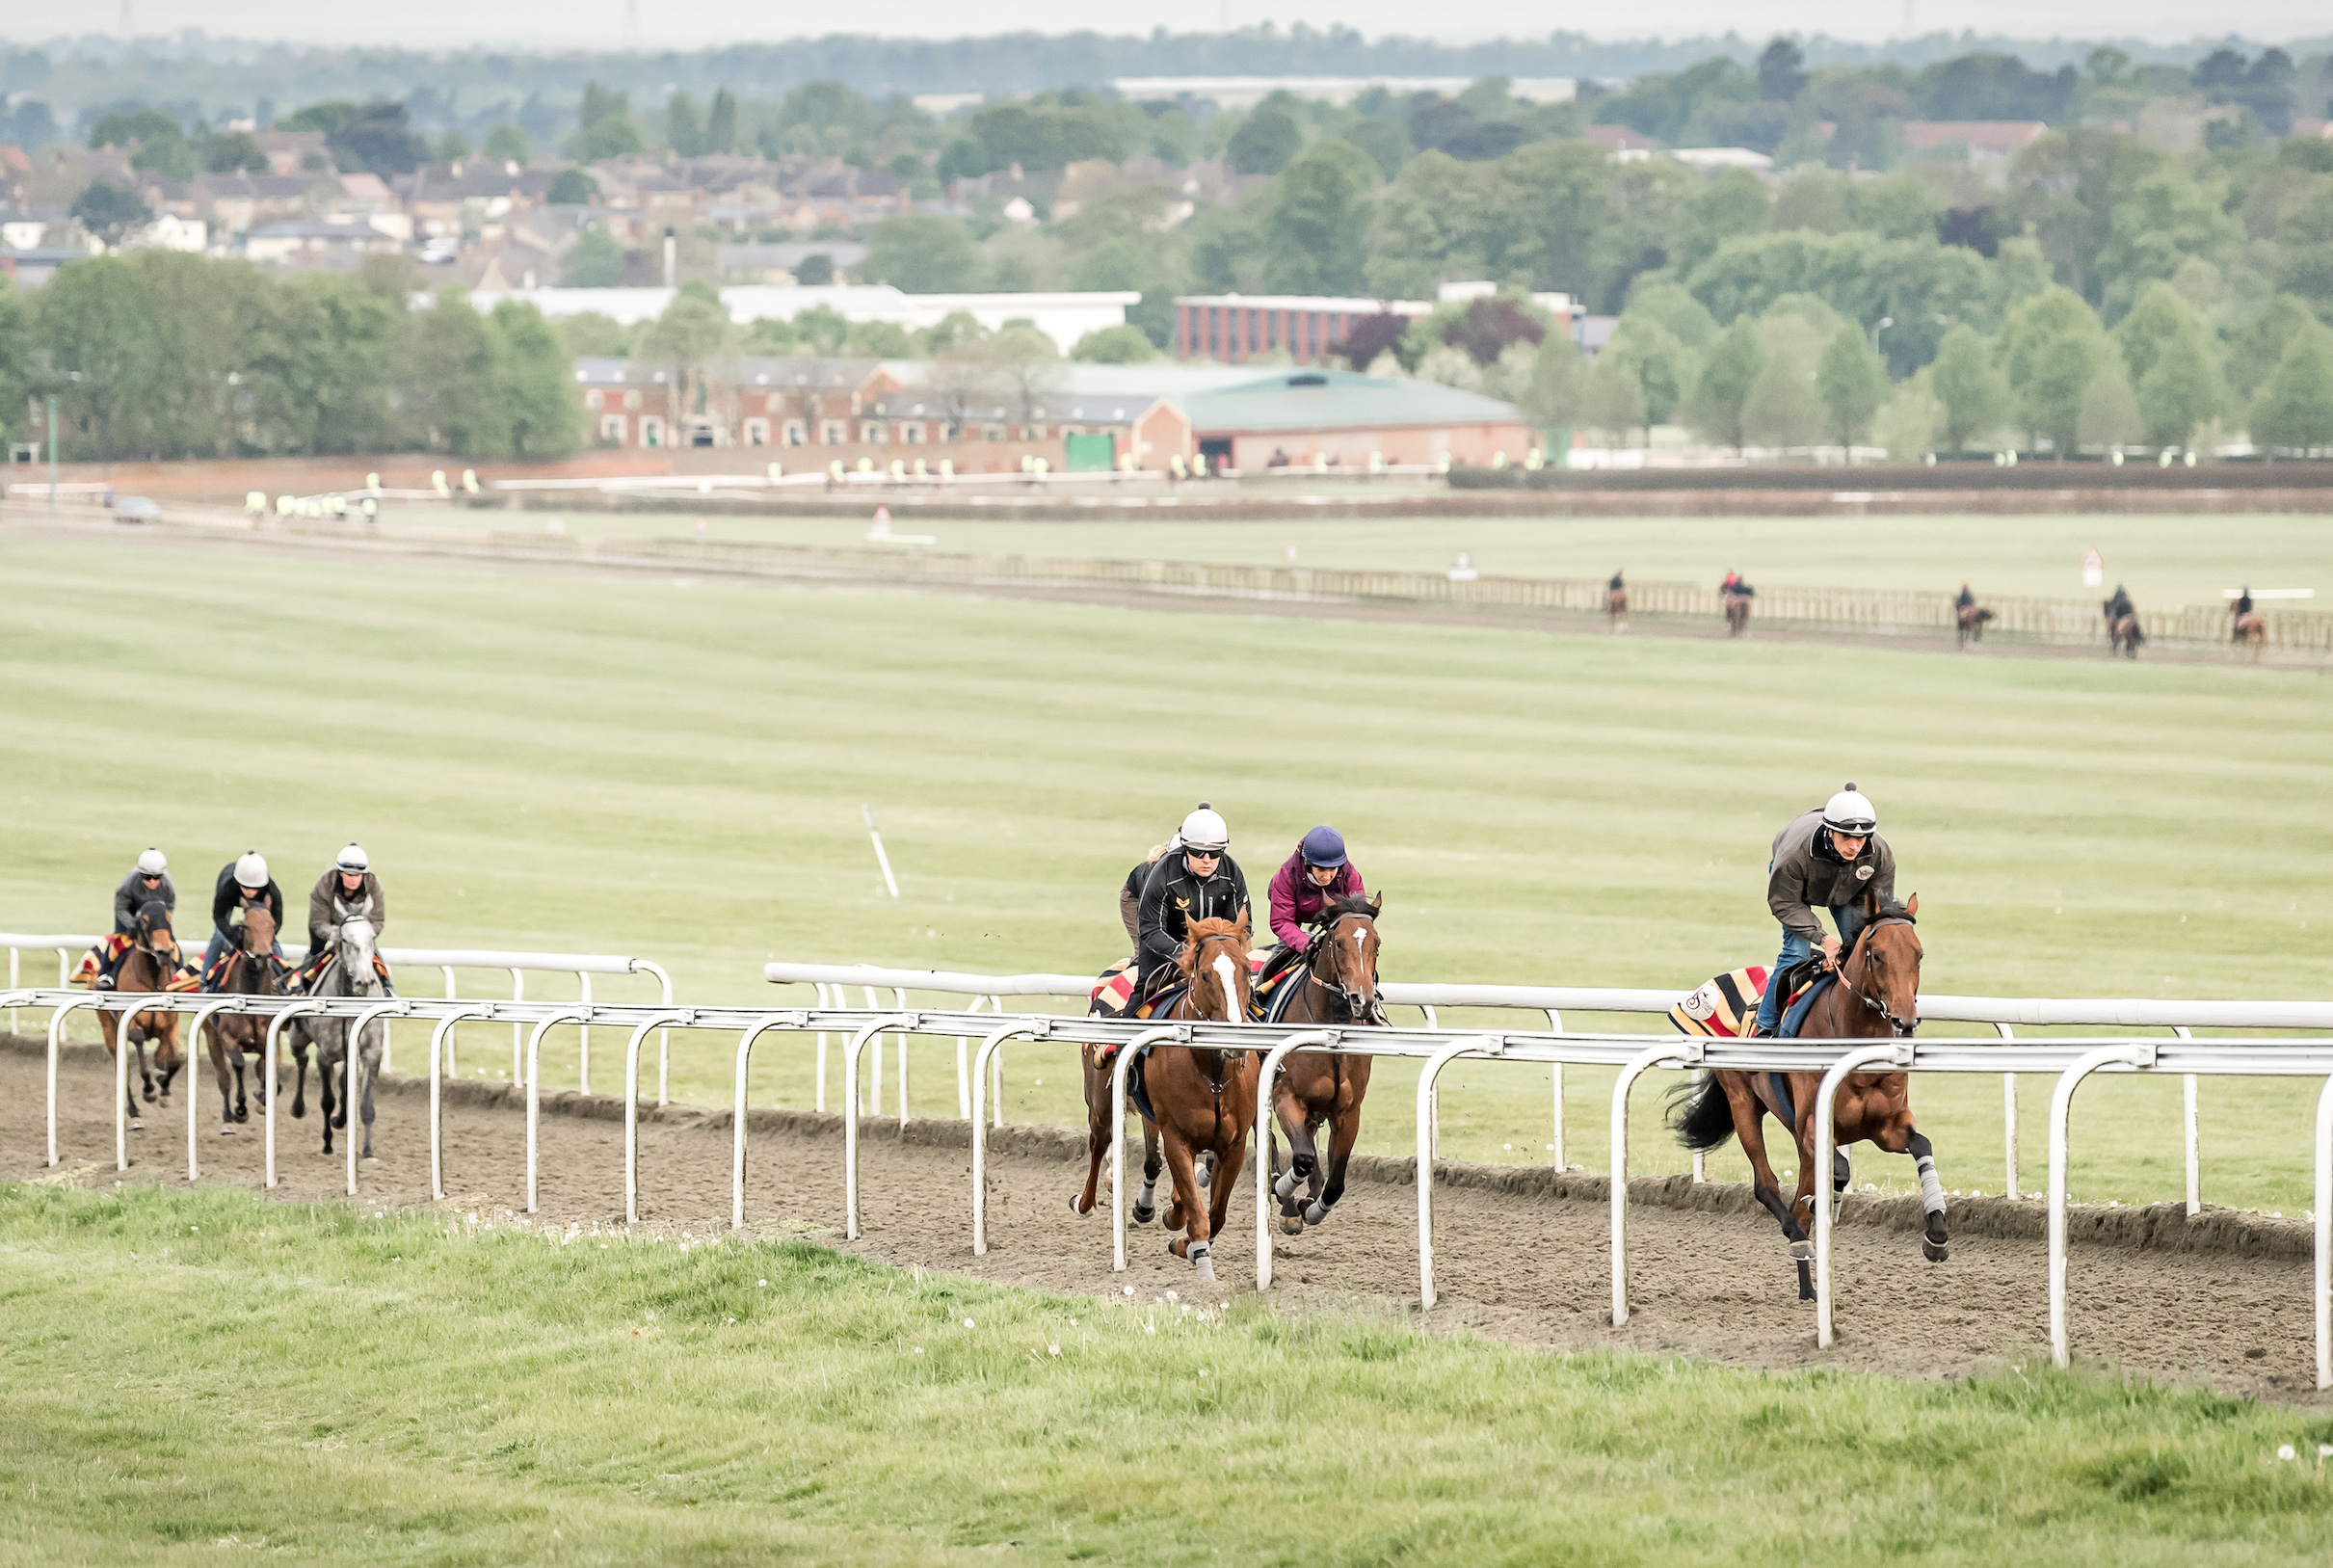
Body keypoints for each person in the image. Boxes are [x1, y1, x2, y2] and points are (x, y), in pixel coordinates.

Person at [1750, 785, 1897, 1038]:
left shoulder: (1880, 855)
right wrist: (1824, 939)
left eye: (1861, 839)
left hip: (1849, 889)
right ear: (1830, 831)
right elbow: (1784, 903)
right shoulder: (1793, 856)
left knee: (1862, 951)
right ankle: (1763, 1029)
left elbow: (1877, 910)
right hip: (1798, 887)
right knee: (1795, 953)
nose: (1854, 847)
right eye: (1846, 838)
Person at [1134, 805, 1249, 997]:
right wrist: (1187, 953)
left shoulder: (1232, 873)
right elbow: (1150, 928)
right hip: (1166, 955)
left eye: (1215, 853)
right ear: (1186, 849)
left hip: (1216, 955)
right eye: (1198, 852)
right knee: (1141, 997)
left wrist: (1216, 952)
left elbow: (1241, 926)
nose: (1206, 860)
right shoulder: (1163, 873)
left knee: (1250, 998)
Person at [1266, 826, 1365, 954]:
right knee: (1279, 957)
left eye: (1332, 869)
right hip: (1293, 918)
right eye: (1321, 870)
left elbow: (1358, 917)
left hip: (1334, 917)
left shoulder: (1350, 875)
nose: (1327, 876)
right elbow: (1282, 921)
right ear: (1308, 864)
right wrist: (1307, 944)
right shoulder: (1286, 876)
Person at [92, 848, 175, 991]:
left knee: (170, 941)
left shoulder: (168, 885)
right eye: (147, 877)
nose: (153, 882)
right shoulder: (128, 884)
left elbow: (169, 908)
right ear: (141, 873)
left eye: (157, 878)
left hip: (157, 916)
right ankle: (106, 973)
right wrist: (134, 927)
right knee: (119, 939)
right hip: (130, 912)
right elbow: (121, 909)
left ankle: (179, 972)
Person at [203, 852, 284, 991]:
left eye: (255, 889)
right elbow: (219, 916)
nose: (250, 892)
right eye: (246, 888)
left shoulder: (271, 889)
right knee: (218, 936)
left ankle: (284, 982)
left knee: (273, 943)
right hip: (231, 898)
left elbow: (276, 920)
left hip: (260, 906)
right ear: (238, 883)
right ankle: (204, 982)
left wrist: (265, 937)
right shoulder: (228, 887)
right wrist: (234, 937)